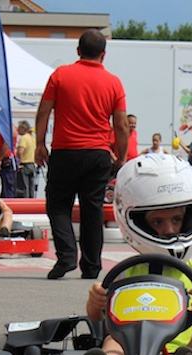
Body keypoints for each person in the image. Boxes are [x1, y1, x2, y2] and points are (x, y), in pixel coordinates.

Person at [81, 154, 192, 355]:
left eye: (176, 219)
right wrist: (95, 302)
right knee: (112, 342)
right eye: (158, 222)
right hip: (133, 354)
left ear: (190, 217)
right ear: (137, 222)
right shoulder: (124, 272)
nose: (169, 229)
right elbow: (97, 319)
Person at [35, 29, 128, 280]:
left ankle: (66, 257)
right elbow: (120, 124)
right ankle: (91, 266)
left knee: (58, 205)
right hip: (98, 153)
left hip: (65, 151)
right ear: (103, 54)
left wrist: (40, 144)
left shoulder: (60, 75)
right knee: (92, 209)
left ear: (78, 51)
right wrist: (121, 156)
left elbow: (43, 112)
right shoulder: (113, 82)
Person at [16, 121, 37, 198]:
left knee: (24, 187)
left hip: (25, 164)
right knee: (31, 187)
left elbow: (20, 151)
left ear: (22, 128)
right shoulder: (32, 138)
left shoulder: (24, 138)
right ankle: (32, 203)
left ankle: (25, 204)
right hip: (32, 164)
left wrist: (19, 162)